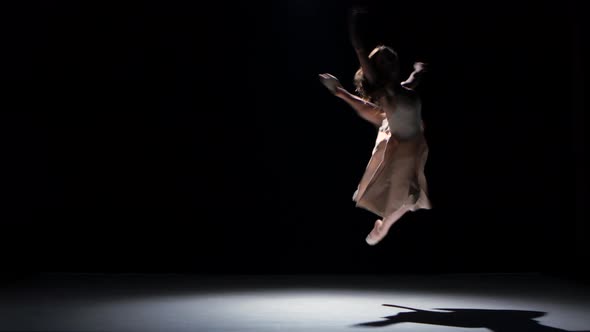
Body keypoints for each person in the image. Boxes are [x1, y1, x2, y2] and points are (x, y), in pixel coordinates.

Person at [319, 8, 431, 245]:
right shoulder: (383, 89)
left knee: (413, 198)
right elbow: (359, 49)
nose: (388, 61)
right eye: (382, 60)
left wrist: (418, 71)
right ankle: (383, 227)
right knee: (411, 197)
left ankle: (384, 225)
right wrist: (354, 20)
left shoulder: (404, 87)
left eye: (390, 57)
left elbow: (414, 81)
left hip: (417, 145)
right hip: (402, 149)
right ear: (376, 69)